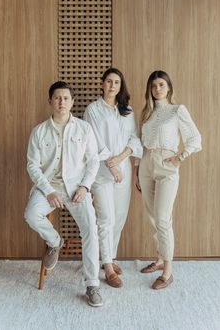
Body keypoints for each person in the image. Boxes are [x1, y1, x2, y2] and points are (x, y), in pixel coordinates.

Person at [24, 81, 103, 307]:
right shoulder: (38, 131)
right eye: (57, 98)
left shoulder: (84, 129)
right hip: (48, 187)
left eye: (66, 98)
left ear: (72, 102)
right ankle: (55, 241)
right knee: (31, 214)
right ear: (50, 101)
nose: (61, 102)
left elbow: (93, 161)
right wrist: (48, 191)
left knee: (90, 229)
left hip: (77, 188)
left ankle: (92, 285)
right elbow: (32, 166)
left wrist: (85, 186)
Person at [134, 70, 202, 290]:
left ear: (169, 87)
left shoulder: (176, 110)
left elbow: (195, 137)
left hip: (167, 165)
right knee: (153, 218)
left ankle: (168, 272)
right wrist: (137, 170)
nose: (157, 89)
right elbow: (139, 144)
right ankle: (160, 258)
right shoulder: (146, 114)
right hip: (146, 164)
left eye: (161, 85)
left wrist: (180, 157)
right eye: (153, 86)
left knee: (163, 218)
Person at [84, 68, 143, 288]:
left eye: (117, 82)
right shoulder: (92, 110)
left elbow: (134, 139)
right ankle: (108, 267)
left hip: (123, 170)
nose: (112, 86)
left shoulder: (126, 110)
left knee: (119, 216)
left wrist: (121, 159)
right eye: (109, 81)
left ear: (121, 86)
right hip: (101, 171)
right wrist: (112, 164)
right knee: (105, 218)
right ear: (102, 83)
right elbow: (95, 143)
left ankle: (109, 257)